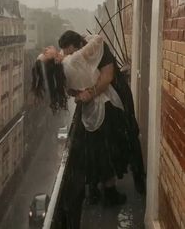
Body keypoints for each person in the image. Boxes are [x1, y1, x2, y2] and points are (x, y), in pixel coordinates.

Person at [32, 34, 131, 206]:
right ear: (52, 61)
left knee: (99, 152)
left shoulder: (62, 75)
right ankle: (111, 194)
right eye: (45, 53)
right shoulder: (72, 61)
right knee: (107, 152)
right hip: (105, 107)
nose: (46, 49)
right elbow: (99, 41)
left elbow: (73, 92)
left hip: (89, 114)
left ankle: (97, 192)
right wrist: (86, 37)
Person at [58, 30, 146, 196]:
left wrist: (89, 94)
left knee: (130, 133)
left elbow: (107, 77)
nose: (71, 56)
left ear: (79, 45)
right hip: (97, 101)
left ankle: (139, 180)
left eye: (72, 52)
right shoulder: (75, 55)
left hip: (117, 92)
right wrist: (78, 93)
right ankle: (99, 186)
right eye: (67, 54)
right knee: (99, 145)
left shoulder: (98, 47)